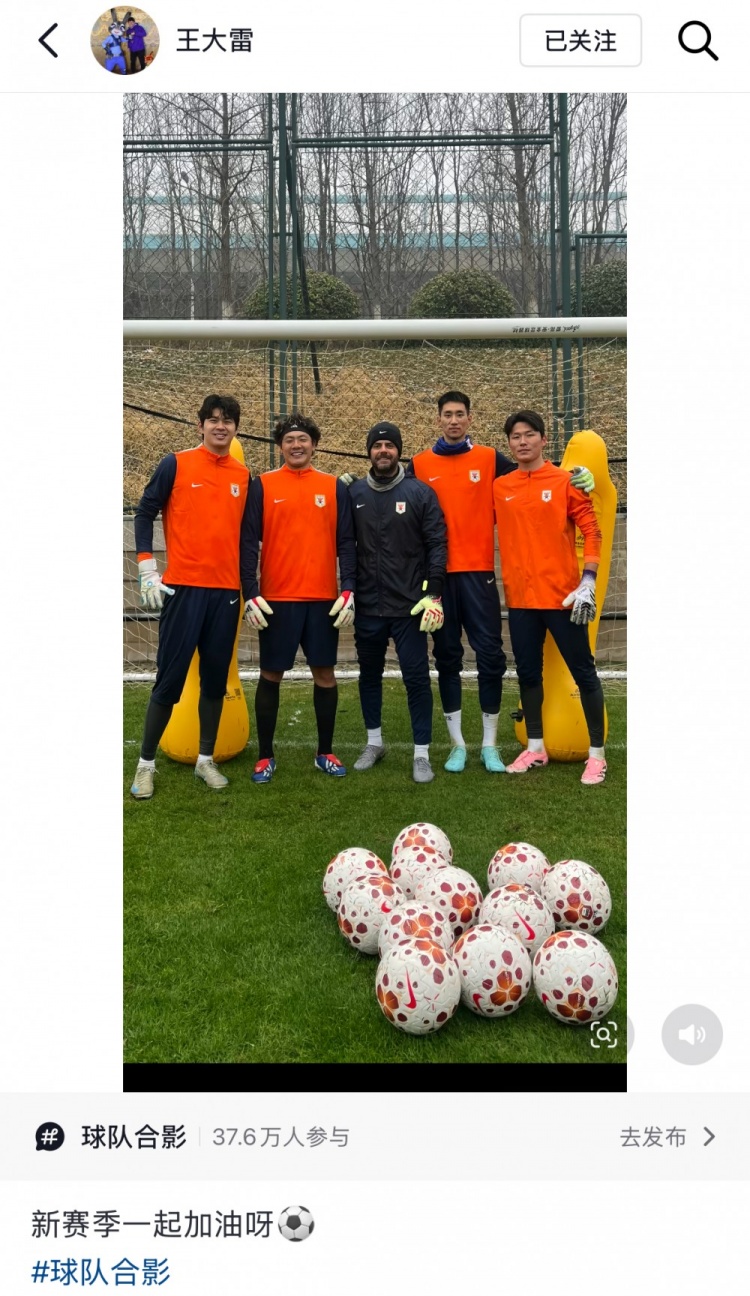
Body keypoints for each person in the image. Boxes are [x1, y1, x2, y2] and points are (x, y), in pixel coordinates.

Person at [408, 390, 594, 774]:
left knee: (491, 657)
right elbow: (395, 489)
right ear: (438, 419)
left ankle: (489, 745)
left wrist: (578, 475)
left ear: (470, 419)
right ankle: (458, 745)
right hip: (438, 577)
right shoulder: (420, 464)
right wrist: (353, 487)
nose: (454, 420)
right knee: (446, 657)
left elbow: (535, 472)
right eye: (447, 414)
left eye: (460, 414)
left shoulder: (492, 460)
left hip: (480, 575)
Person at [130, 396, 251, 799]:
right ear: (200, 426)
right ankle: (145, 765)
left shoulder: (243, 475)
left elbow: (248, 537)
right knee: (170, 680)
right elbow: (145, 511)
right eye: (213, 420)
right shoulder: (175, 463)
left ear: (235, 428)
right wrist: (147, 566)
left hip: (226, 594)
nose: (220, 426)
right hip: (183, 590)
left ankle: (205, 760)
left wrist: (251, 590)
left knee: (214, 682)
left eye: (228, 420)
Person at [240, 413, 356, 783]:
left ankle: (326, 752)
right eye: (289, 440)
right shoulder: (262, 485)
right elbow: (248, 542)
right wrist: (251, 592)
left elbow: (347, 543)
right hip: (276, 600)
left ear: (314, 445)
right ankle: (265, 756)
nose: (296, 445)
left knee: (325, 674)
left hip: (323, 600)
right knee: (270, 674)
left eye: (303, 439)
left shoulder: (334, 487)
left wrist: (348, 589)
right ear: (280, 447)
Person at [494, 410, 607, 785]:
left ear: (543, 440)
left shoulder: (565, 481)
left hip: (564, 598)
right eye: (515, 436)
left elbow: (592, 531)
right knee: (528, 674)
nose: (522, 441)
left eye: (529, 434)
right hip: (521, 600)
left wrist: (588, 578)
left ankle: (596, 755)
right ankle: (536, 747)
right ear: (509, 444)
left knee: (583, 672)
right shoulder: (500, 486)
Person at [349, 422, 447, 784]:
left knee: (417, 679)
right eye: (377, 446)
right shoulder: (354, 493)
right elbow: (345, 545)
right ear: (369, 452)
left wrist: (433, 593)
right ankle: (374, 743)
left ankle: (421, 754)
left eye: (389, 445)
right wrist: (348, 590)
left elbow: (437, 544)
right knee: (369, 675)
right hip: (368, 606)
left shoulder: (420, 492)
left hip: (409, 608)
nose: (383, 451)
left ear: (398, 451)